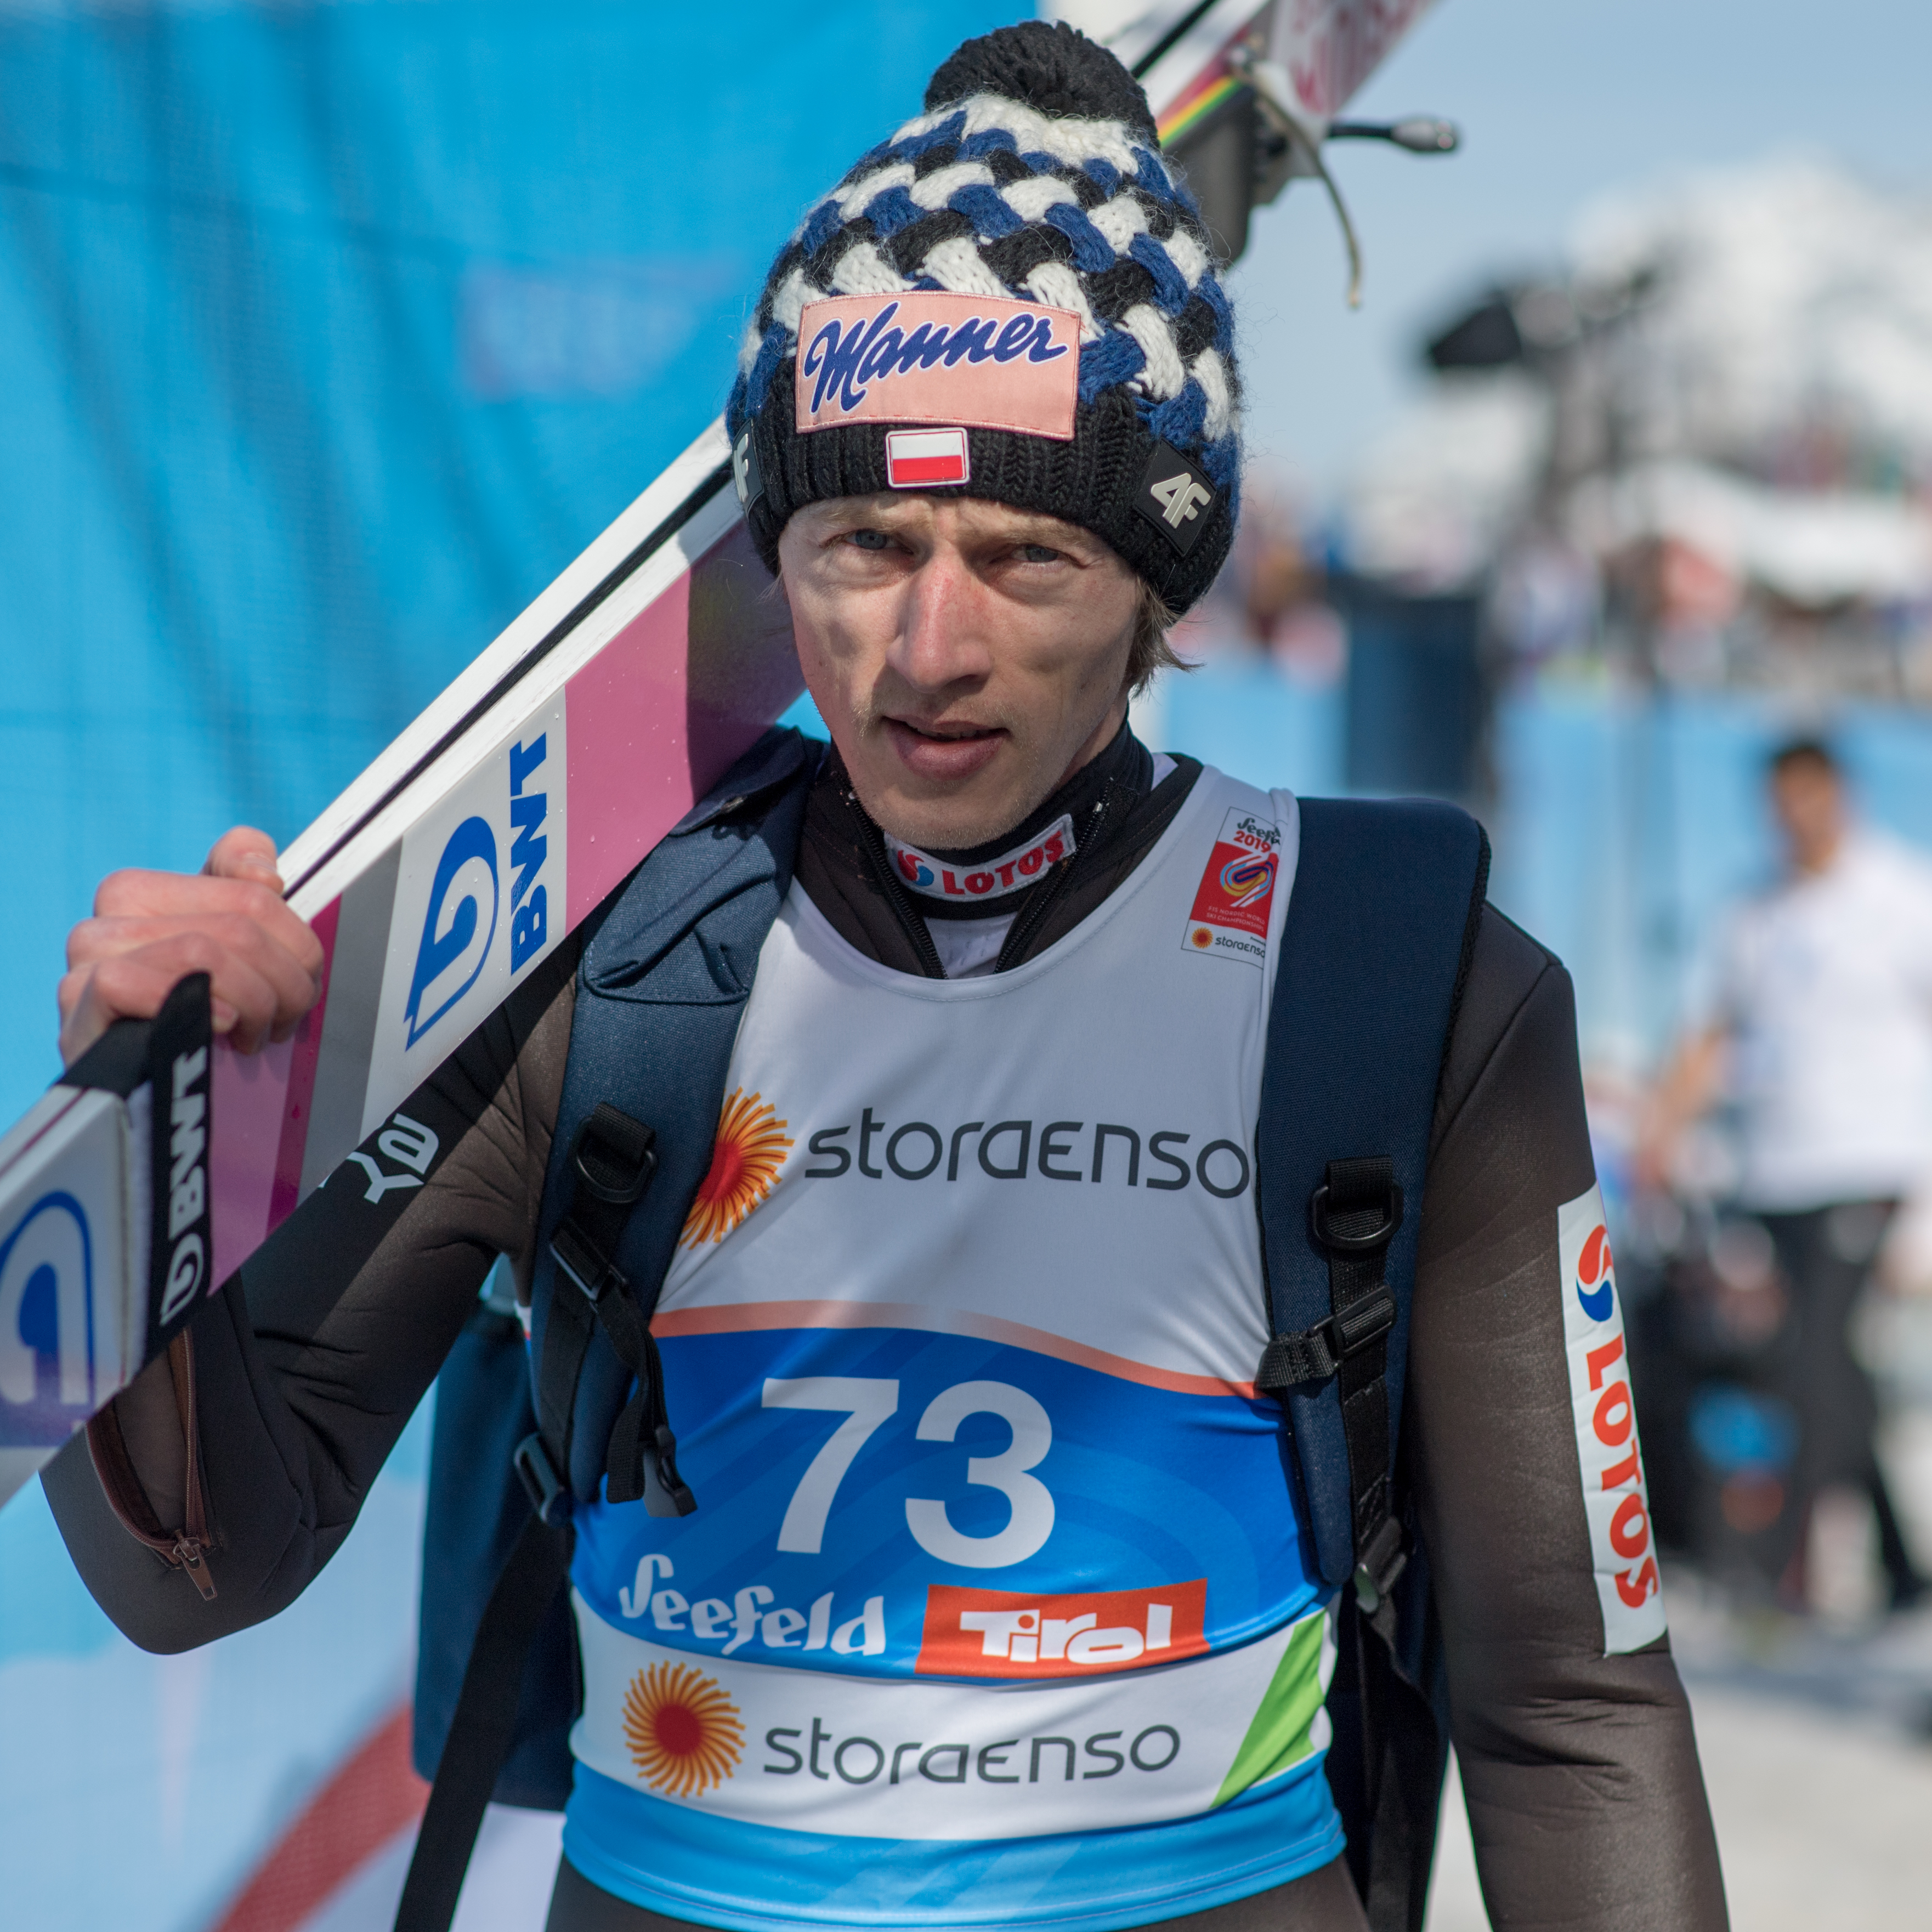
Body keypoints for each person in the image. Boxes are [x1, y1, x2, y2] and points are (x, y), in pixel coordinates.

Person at [43, 24, 1726, 1932]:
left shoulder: (1389, 973)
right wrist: (171, 1137)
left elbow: (1570, 1701)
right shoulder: (603, 948)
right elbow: (200, 1560)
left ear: (1160, 582)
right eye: (863, 544)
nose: (930, 645)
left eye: (1021, 555)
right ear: (778, 556)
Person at [1641, 736, 1932, 1612]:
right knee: (1824, 1363)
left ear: (1840, 794)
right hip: (1777, 1174)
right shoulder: (1754, 913)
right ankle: (1901, 1563)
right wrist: (1661, 1129)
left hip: (1873, 1165)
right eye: (1780, 800)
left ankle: (1781, 1570)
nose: (1794, 815)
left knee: (1814, 1363)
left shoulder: (1900, 893)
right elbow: (1710, 1031)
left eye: (1809, 796)